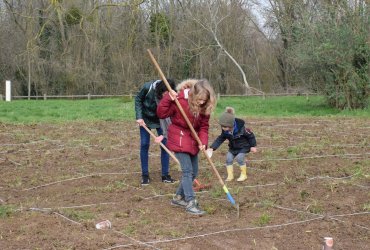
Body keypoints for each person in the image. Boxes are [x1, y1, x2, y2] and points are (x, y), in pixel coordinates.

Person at [157, 79, 216, 215]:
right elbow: (161, 113)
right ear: (193, 94)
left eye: (204, 100)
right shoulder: (179, 99)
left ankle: (178, 197)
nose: (201, 102)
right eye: (199, 99)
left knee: (194, 171)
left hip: (193, 140)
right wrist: (167, 99)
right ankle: (190, 202)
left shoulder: (204, 107)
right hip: (178, 136)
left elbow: (204, 127)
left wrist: (203, 142)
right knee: (187, 171)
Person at [135, 79, 177, 186]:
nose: (166, 96)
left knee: (165, 145)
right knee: (144, 144)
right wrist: (139, 117)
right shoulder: (147, 87)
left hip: (161, 119)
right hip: (146, 119)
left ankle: (165, 175)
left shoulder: (171, 92)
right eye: (164, 94)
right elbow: (138, 99)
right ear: (160, 90)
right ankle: (145, 175)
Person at [207, 107, 257, 182]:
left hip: (243, 147)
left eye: (225, 127)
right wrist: (212, 148)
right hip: (233, 147)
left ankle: (244, 175)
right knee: (228, 159)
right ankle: (230, 175)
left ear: (231, 125)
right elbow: (220, 139)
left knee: (239, 158)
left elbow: (251, 136)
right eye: (222, 126)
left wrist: (253, 146)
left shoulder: (243, 129)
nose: (223, 128)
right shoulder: (225, 131)